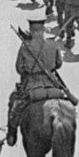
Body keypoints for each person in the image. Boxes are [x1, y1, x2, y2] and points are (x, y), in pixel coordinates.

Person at [8, 18, 64, 150]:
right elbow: (59, 64)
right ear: (43, 30)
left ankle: (12, 134)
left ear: (31, 31)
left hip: (32, 86)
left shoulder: (25, 46)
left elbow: (19, 69)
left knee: (14, 103)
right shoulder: (52, 44)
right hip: (52, 84)